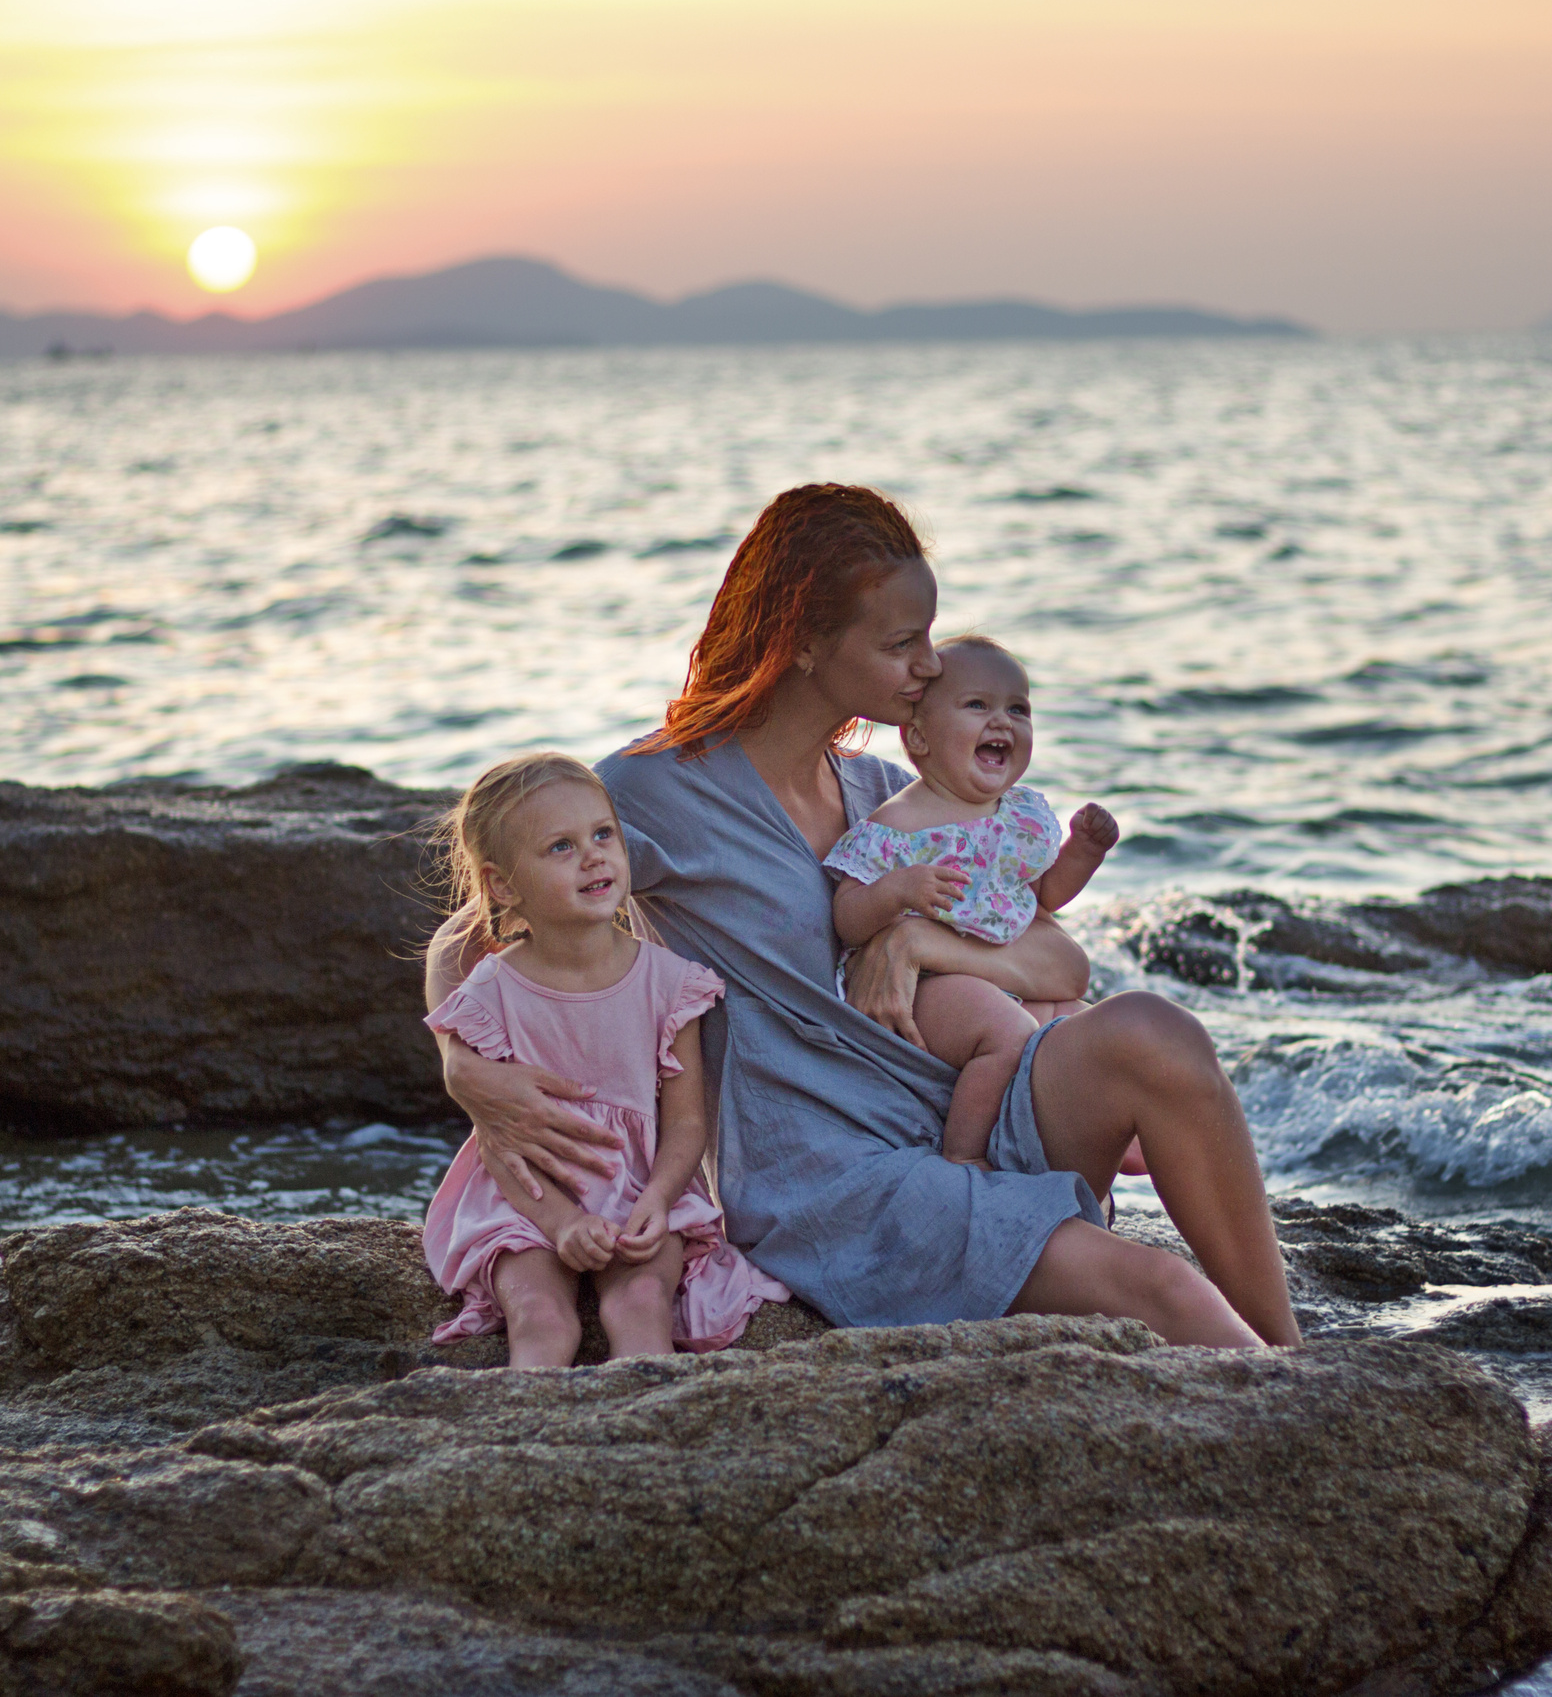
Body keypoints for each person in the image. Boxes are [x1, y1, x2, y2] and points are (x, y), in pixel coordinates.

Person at [428, 483, 1302, 1350]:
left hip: (969, 1111)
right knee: (1159, 1283)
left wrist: (916, 938)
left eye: (929, 636)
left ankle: (1294, 1361)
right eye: (900, 643)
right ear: (806, 643)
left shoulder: (892, 796)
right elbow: (474, 930)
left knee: (1155, 1030)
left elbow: (1057, 961)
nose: (932, 666)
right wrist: (465, 1071)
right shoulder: (657, 789)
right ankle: (1282, 1386)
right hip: (838, 1179)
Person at [420, 751, 789, 1367]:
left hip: (641, 1190)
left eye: (603, 835)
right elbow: (500, 1140)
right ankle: (525, 1420)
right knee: (540, 1316)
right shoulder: (490, 993)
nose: (594, 857)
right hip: (528, 1199)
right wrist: (562, 1223)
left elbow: (686, 1123)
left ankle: (640, 1414)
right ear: (503, 886)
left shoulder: (672, 984)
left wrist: (658, 1201)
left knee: (641, 1303)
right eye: (561, 847)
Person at [823, 632, 1125, 1169]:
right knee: (1007, 1035)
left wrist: (1083, 852)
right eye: (977, 705)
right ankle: (963, 1158)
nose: (1002, 721)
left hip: (1000, 968)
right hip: (928, 985)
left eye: (1018, 709)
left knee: (1081, 1030)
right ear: (919, 739)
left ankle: (1104, 1147)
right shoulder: (898, 825)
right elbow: (847, 916)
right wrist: (898, 890)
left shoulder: (1020, 816)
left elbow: (1045, 896)